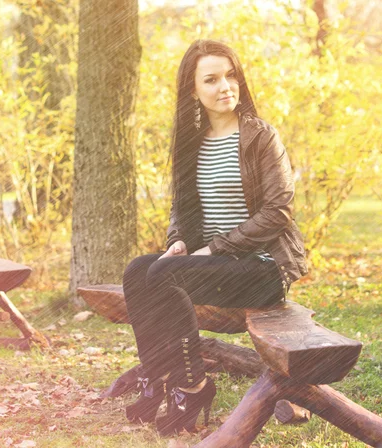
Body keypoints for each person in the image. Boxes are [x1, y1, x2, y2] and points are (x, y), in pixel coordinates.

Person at [122, 39, 308, 436]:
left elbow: (278, 211)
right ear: (193, 91)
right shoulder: (193, 144)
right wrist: (180, 241)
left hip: (261, 267)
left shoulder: (261, 137)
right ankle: (157, 377)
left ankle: (192, 385)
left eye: (231, 75)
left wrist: (215, 248)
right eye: (211, 79)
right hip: (211, 262)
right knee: (139, 270)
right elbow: (183, 207)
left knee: (163, 276)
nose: (226, 86)